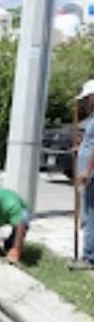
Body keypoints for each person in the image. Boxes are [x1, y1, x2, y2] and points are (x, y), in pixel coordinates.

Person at [73, 79, 94, 270]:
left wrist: (87, 170)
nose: (86, 102)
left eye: (88, 98)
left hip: (92, 174)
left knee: (90, 213)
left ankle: (89, 257)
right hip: (89, 172)